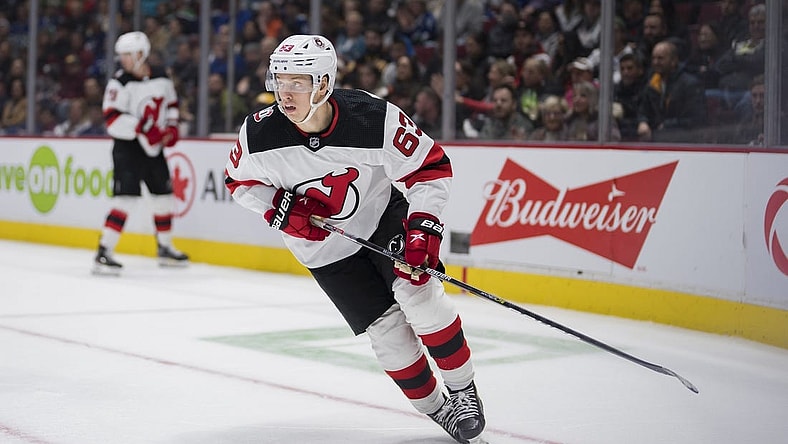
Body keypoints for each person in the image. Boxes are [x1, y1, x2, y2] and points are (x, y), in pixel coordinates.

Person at [223, 35, 485, 444]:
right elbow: (237, 182)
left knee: (421, 297)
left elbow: (429, 168)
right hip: (324, 251)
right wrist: (277, 207)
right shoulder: (258, 134)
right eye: (279, 81)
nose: (284, 93)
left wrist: (424, 228)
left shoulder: (372, 117)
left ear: (324, 84)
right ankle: (438, 409)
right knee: (388, 335)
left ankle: (464, 392)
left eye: (297, 82)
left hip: (382, 218)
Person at [93, 31, 189, 274]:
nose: (123, 59)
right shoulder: (119, 82)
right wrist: (144, 129)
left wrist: (171, 127)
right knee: (125, 199)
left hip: (153, 148)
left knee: (163, 198)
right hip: (128, 148)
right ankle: (104, 252)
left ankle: (165, 248)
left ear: (141, 54)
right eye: (121, 55)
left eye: (127, 54)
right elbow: (112, 119)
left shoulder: (162, 79)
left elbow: (172, 105)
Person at [637, 40, 706, 143]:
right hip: (657, 138)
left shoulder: (690, 84)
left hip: (684, 140)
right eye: (653, 58)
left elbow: (697, 119)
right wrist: (643, 122)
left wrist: (667, 125)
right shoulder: (652, 83)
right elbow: (643, 110)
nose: (655, 62)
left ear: (674, 61)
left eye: (660, 58)